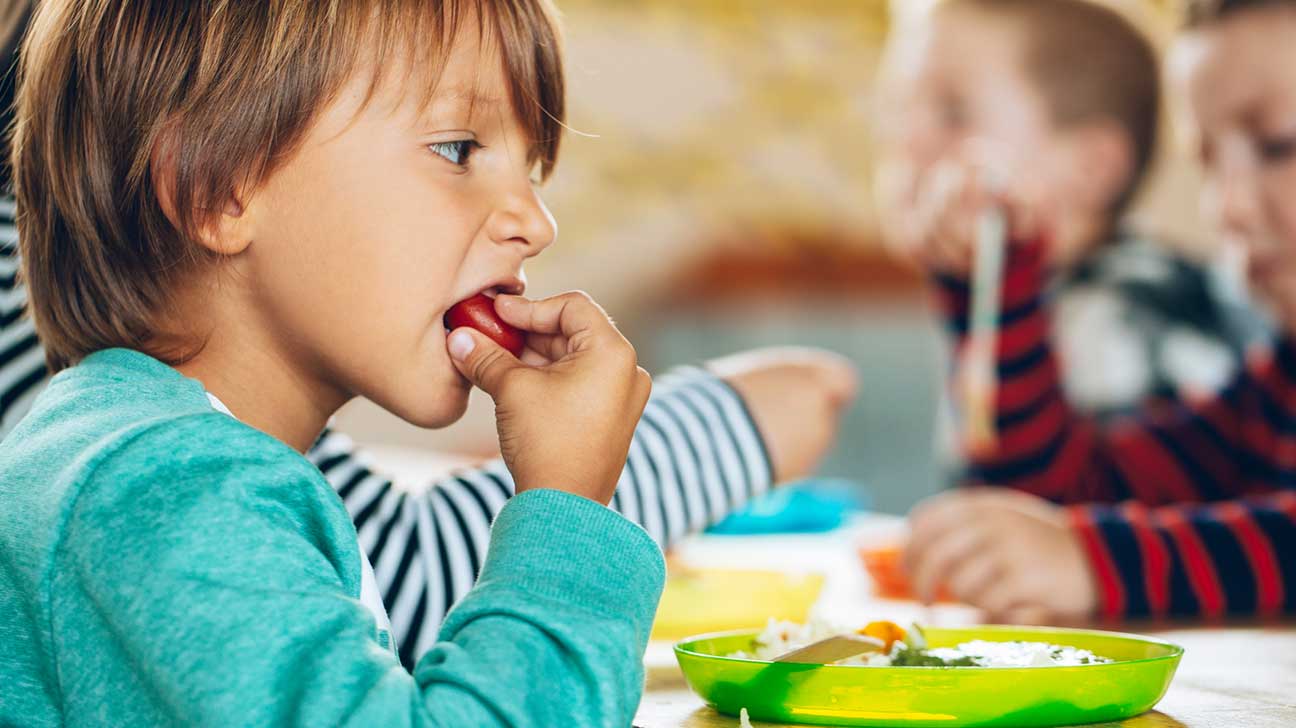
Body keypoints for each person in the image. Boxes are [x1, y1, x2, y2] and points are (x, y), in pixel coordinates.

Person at [0, 0, 835, 724]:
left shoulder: (137, 454)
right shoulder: (171, 491)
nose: (535, 223)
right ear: (214, 188)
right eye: (458, 149)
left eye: (531, 169)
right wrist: (568, 506)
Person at [898, 0, 1296, 623]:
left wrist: (1099, 561)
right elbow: (1063, 497)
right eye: (1208, 162)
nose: (1228, 206)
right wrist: (997, 280)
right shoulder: (1269, 397)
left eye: (1279, 145)